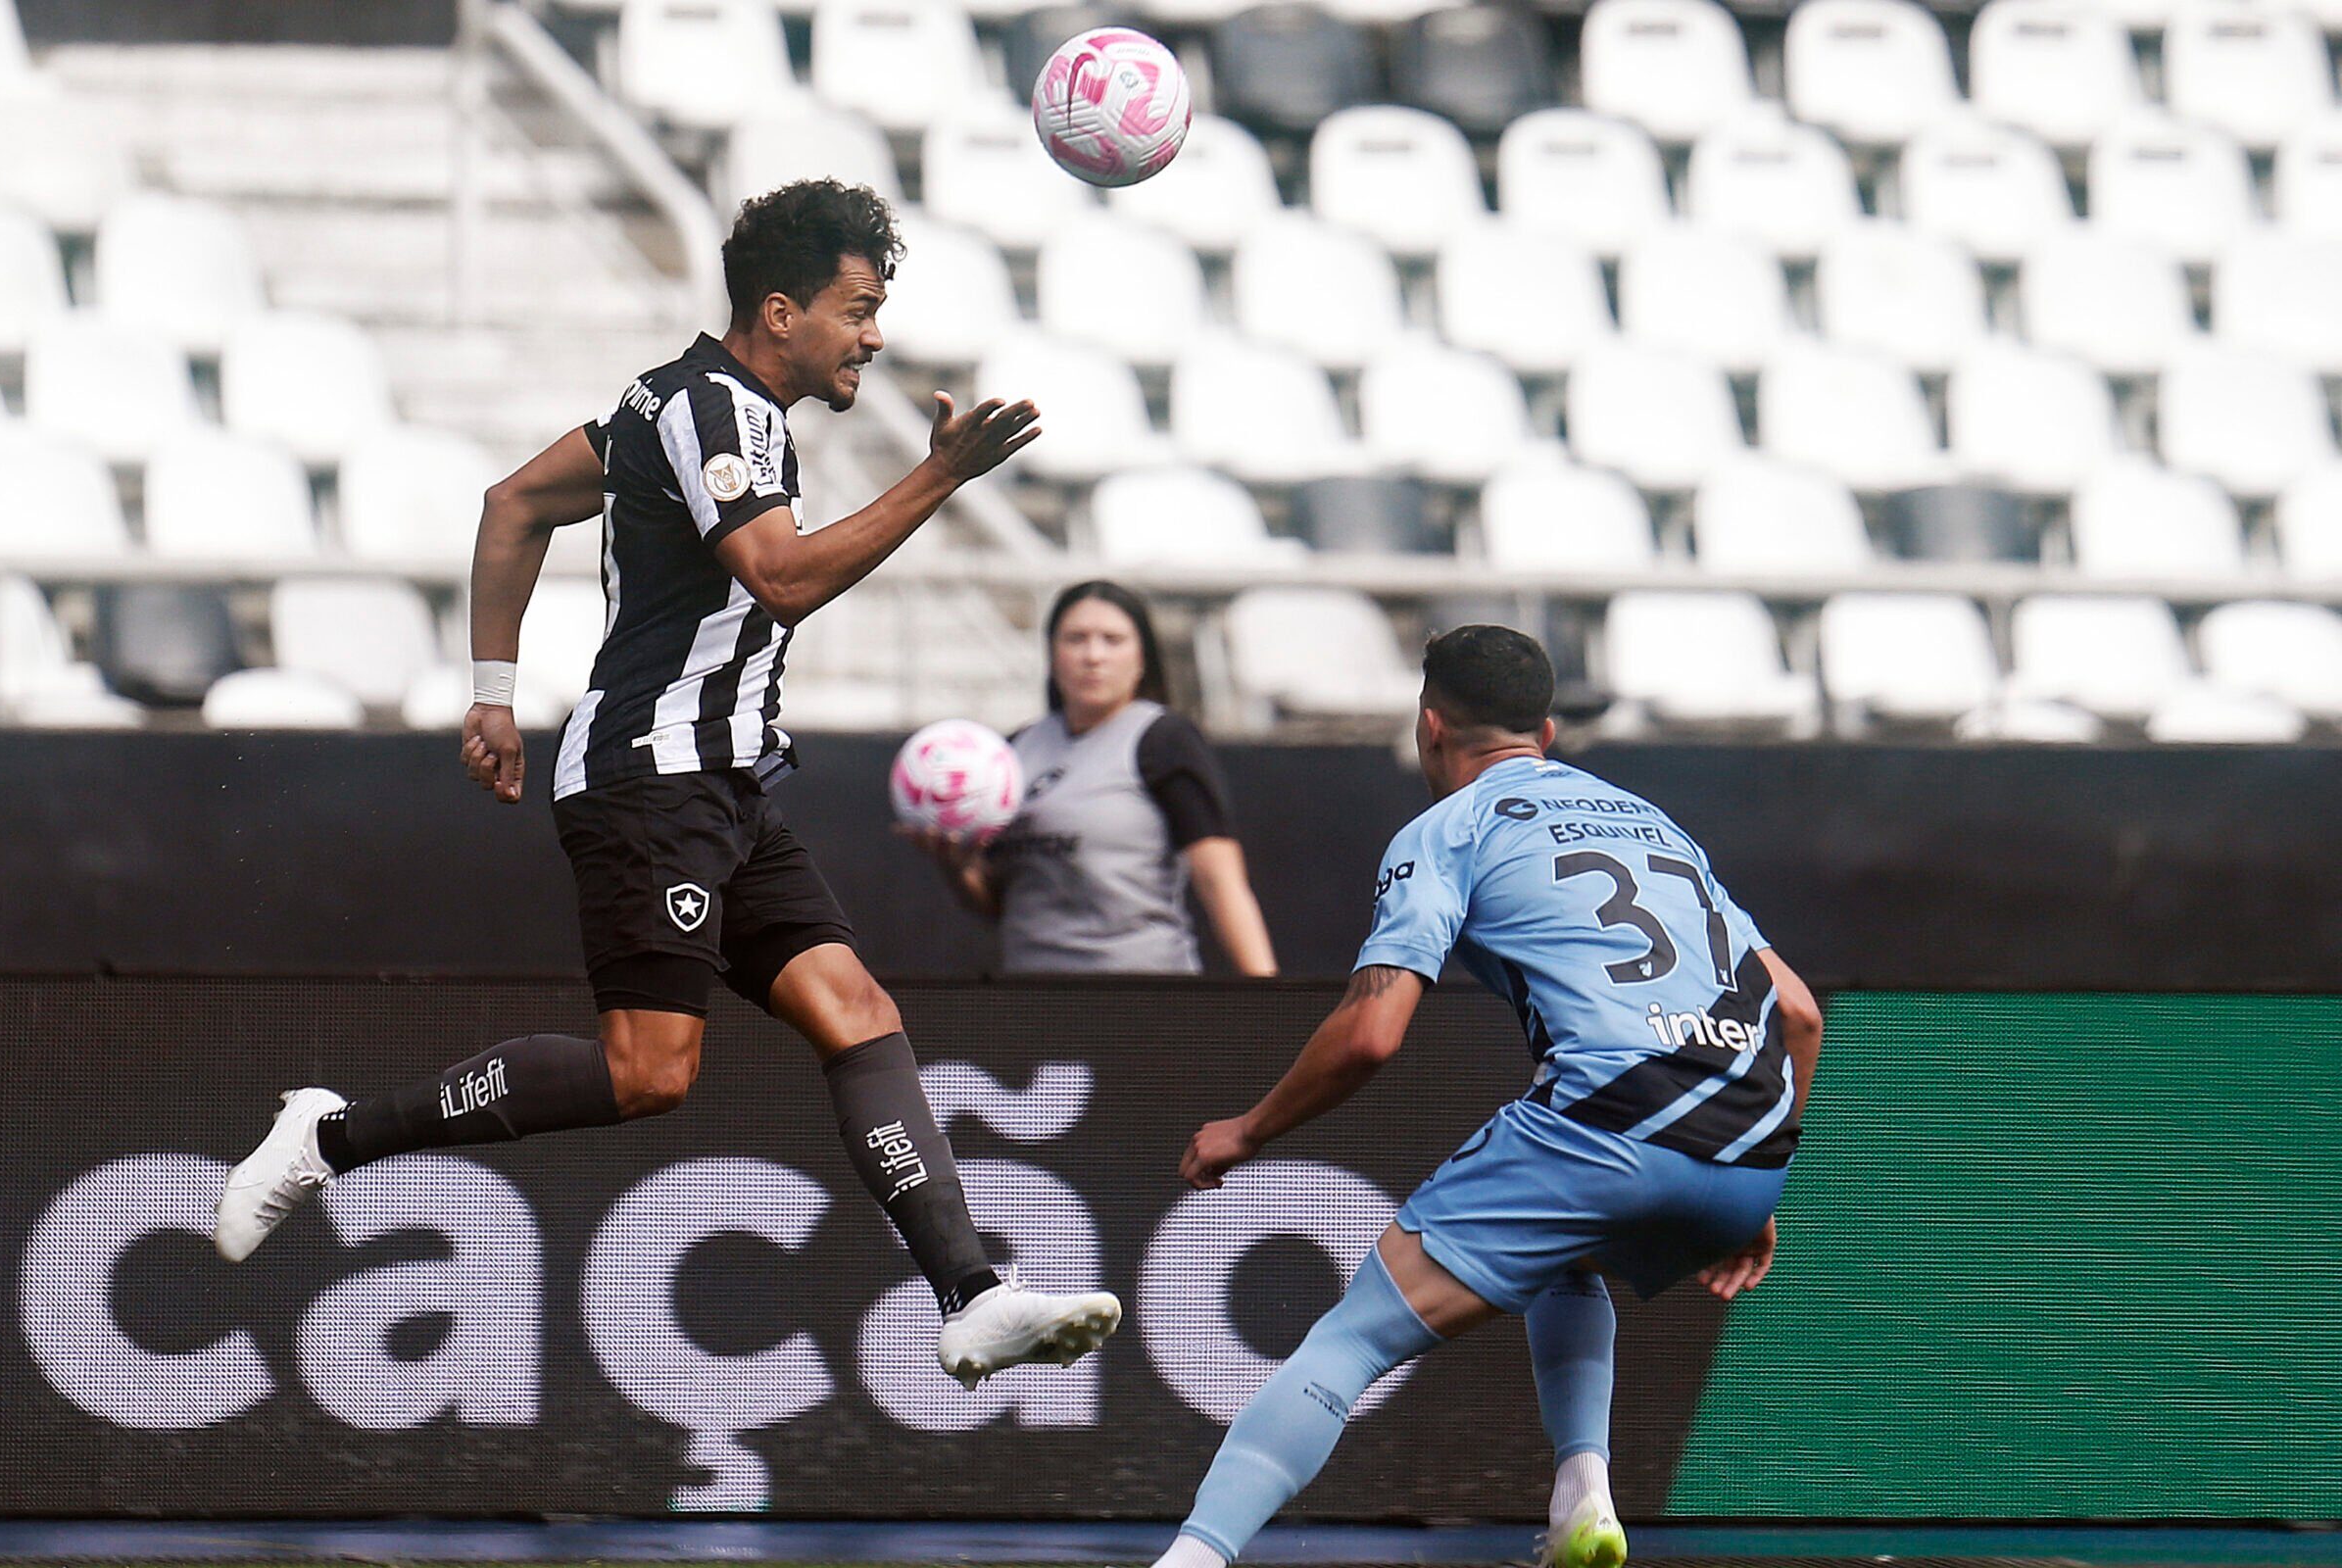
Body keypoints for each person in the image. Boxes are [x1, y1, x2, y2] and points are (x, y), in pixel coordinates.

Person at [213, 178, 1121, 1391]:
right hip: (654, 781)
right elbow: (782, 577)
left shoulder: (673, 399)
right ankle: (328, 1137)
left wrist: (492, 689)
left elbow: (514, 502)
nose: (875, 335)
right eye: (858, 309)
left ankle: (972, 1296)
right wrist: (936, 477)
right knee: (649, 1074)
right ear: (781, 310)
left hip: (727, 785)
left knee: (858, 1013)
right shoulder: (718, 409)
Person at [1151, 625, 1825, 1568]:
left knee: (1348, 1341)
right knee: (1569, 1252)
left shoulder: (1450, 828)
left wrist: (1248, 1128)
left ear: (1431, 728)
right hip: (1745, 1144)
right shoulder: (1657, 824)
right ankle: (1583, 1492)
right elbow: (1796, 1014)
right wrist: (1759, 1178)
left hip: (1606, 1129)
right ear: (1546, 731)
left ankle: (1191, 1559)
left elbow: (1373, 1033)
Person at [914, 580, 1276, 976]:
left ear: (1142, 658)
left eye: (1112, 639)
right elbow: (1000, 905)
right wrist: (957, 865)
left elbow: (1219, 882)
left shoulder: (1163, 739)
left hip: (1143, 994)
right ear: (1051, 654)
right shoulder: (1013, 752)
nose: (1093, 655)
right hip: (1029, 998)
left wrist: (1266, 998)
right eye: (1076, 639)